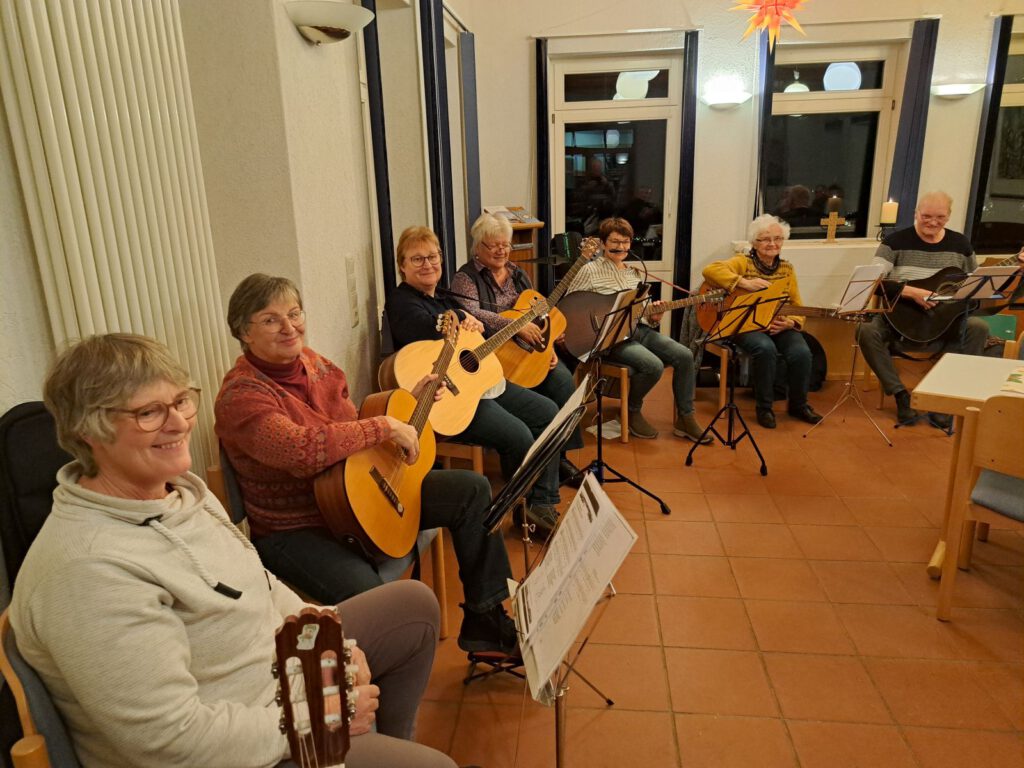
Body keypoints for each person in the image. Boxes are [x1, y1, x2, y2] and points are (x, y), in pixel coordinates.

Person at [9, 333, 457, 768]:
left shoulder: (181, 492)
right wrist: (324, 720)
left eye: (182, 400)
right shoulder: (86, 570)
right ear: (89, 431)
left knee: (412, 606)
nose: (180, 422)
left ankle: (381, 742)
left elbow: (262, 586)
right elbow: (170, 744)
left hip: (283, 679)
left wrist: (335, 645)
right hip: (240, 741)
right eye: (149, 412)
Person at [215, 274, 516, 655]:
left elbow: (348, 424)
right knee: (378, 603)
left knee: (472, 490)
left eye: (294, 313)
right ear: (244, 332)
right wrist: (385, 425)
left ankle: (485, 618)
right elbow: (302, 451)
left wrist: (410, 399)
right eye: (271, 320)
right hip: (294, 528)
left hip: (354, 496)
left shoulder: (317, 365)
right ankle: (380, 702)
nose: (290, 327)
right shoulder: (241, 397)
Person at [385, 227, 563, 537]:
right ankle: (526, 508)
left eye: (433, 256)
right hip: (450, 400)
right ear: (402, 265)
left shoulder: (441, 297)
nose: (427, 264)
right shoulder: (401, 301)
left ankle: (542, 501)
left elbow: (461, 337)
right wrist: (455, 318)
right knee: (520, 436)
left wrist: (464, 316)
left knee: (549, 412)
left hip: (478, 385)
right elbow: (421, 326)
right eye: (417, 259)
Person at [856, 191, 1024, 426]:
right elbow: (873, 282)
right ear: (916, 214)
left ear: (949, 216)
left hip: (945, 323)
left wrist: (1017, 266)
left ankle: (947, 398)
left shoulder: (961, 244)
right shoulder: (894, 243)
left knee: (977, 327)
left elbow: (973, 284)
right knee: (866, 331)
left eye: (940, 217)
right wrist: (913, 292)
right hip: (901, 321)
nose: (932, 222)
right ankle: (900, 394)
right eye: (926, 216)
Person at [449, 212, 584, 485]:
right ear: (477, 246)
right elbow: (471, 313)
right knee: (543, 402)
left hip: (528, 351)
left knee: (563, 381)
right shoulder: (465, 278)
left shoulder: (518, 274)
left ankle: (561, 458)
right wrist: (515, 326)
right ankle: (532, 465)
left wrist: (549, 349)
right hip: (494, 358)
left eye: (506, 244)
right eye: (493, 245)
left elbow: (539, 312)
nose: (501, 250)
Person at [565, 216, 710, 442]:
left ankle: (685, 417)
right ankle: (632, 411)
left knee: (684, 355)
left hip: (638, 331)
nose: (620, 247)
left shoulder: (633, 273)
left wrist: (655, 315)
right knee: (653, 365)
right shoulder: (589, 271)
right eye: (614, 242)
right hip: (609, 338)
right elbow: (569, 306)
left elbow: (642, 314)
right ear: (603, 244)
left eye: (625, 242)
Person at [702, 214, 823, 429]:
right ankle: (764, 408)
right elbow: (710, 270)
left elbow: (797, 303)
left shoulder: (787, 269)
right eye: (765, 239)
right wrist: (743, 283)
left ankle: (798, 405)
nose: (772, 244)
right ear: (754, 243)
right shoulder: (742, 262)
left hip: (778, 324)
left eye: (777, 238)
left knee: (801, 352)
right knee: (764, 348)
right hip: (746, 324)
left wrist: (792, 323)